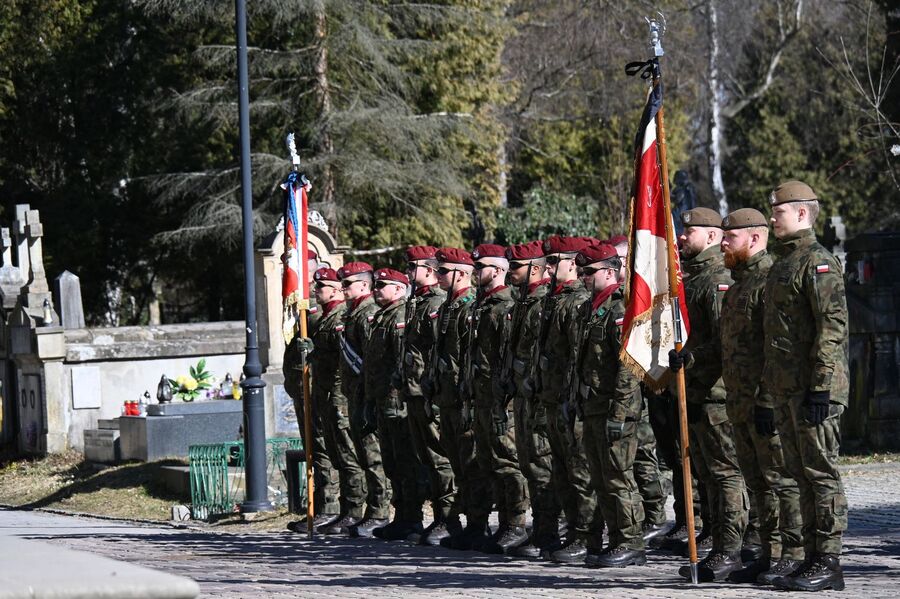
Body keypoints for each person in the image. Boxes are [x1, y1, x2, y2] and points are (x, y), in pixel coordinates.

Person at [761, 181, 849, 592]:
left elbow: (831, 327)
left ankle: (829, 559)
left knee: (820, 472)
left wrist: (820, 386)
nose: (772, 216)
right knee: (797, 473)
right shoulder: (784, 264)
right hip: (785, 388)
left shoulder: (818, 262)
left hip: (814, 388)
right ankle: (810, 556)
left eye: (777, 210)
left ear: (800, 213)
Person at [718, 208, 805, 584]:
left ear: (754, 239)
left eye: (730, 237)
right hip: (738, 400)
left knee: (780, 480)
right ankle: (768, 553)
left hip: (764, 401)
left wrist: (769, 399)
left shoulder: (769, 279)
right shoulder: (738, 284)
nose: (723, 242)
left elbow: (779, 346)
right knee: (756, 482)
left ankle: (793, 553)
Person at [669, 207, 748, 582]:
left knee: (724, 475)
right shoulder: (693, 278)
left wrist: (690, 357)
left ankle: (730, 549)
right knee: (705, 475)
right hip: (696, 392)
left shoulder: (718, 279)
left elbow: (723, 342)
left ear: (714, 237)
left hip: (715, 393)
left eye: (691, 231)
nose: (682, 237)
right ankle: (717, 543)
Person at [573, 242, 646, 568]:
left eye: (588, 272)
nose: (583, 277)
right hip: (592, 405)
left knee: (618, 476)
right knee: (600, 478)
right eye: (581, 272)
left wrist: (619, 412)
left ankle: (630, 541)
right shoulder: (591, 308)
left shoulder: (620, 308)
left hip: (616, 408)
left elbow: (629, 366)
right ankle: (614, 539)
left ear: (609, 271)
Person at [533, 236, 599, 564]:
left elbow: (578, 356)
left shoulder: (576, 301)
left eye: (553, 261)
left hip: (569, 398)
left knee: (579, 470)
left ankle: (586, 535)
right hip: (551, 395)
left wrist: (572, 398)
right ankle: (573, 531)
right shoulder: (552, 299)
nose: (546, 267)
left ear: (572, 263)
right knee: (560, 469)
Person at [463, 244, 530, 553]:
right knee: (488, 460)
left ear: (499, 270)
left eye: (481, 267)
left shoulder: (505, 307)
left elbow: (508, 354)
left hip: (500, 396)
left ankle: (515, 523)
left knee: (507, 459)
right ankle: (501, 523)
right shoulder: (480, 305)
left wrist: (505, 394)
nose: (476, 272)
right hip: (481, 394)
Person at [424, 248, 489, 549]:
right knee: (456, 463)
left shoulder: (468, 308)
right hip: (447, 397)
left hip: (464, 399)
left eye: (442, 271)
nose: (437, 276)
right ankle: (460, 522)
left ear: (461, 274)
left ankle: (478, 524)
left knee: (471, 464)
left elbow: (470, 358)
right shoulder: (449, 308)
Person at [608, 234, 669, 544]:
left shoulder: (639, 296)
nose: (619, 267)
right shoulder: (619, 298)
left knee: (644, 456)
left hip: (645, 388)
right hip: (631, 392)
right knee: (635, 457)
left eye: (622, 261)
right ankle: (645, 517)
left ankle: (656, 516)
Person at [501, 240, 559, 558]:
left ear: (534, 268)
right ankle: (541, 530)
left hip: (538, 395)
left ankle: (548, 532)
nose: (511, 272)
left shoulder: (541, 303)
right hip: (523, 395)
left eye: (516, 267)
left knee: (541, 465)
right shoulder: (522, 302)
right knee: (528, 463)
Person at [304, 267, 367, 535]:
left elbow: (347, 361)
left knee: (348, 453)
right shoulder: (324, 318)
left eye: (321, 287)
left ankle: (354, 511)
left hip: (339, 395)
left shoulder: (342, 316)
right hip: (326, 393)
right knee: (334, 454)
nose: (316, 291)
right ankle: (339, 510)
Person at [401, 246, 457, 546]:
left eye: (413, 267)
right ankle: (437, 515)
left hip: (428, 390)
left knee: (439, 457)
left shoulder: (435, 302)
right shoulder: (417, 302)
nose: (409, 272)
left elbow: (438, 348)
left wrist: (431, 385)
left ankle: (447, 517)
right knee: (425, 457)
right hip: (414, 389)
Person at [283, 250, 341, 530]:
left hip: (320, 387)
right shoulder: (298, 306)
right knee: (313, 448)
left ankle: (329, 507)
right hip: (303, 389)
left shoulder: (319, 311)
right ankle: (318, 505)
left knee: (323, 448)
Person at [338, 261, 391, 537]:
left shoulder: (367, 312)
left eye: (347, 283)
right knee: (362, 453)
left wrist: (369, 395)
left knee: (373, 455)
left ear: (363, 285)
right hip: (355, 393)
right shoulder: (352, 313)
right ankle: (371, 510)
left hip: (366, 392)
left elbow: (370, 359)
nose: (342, 288)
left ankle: (380, 511)